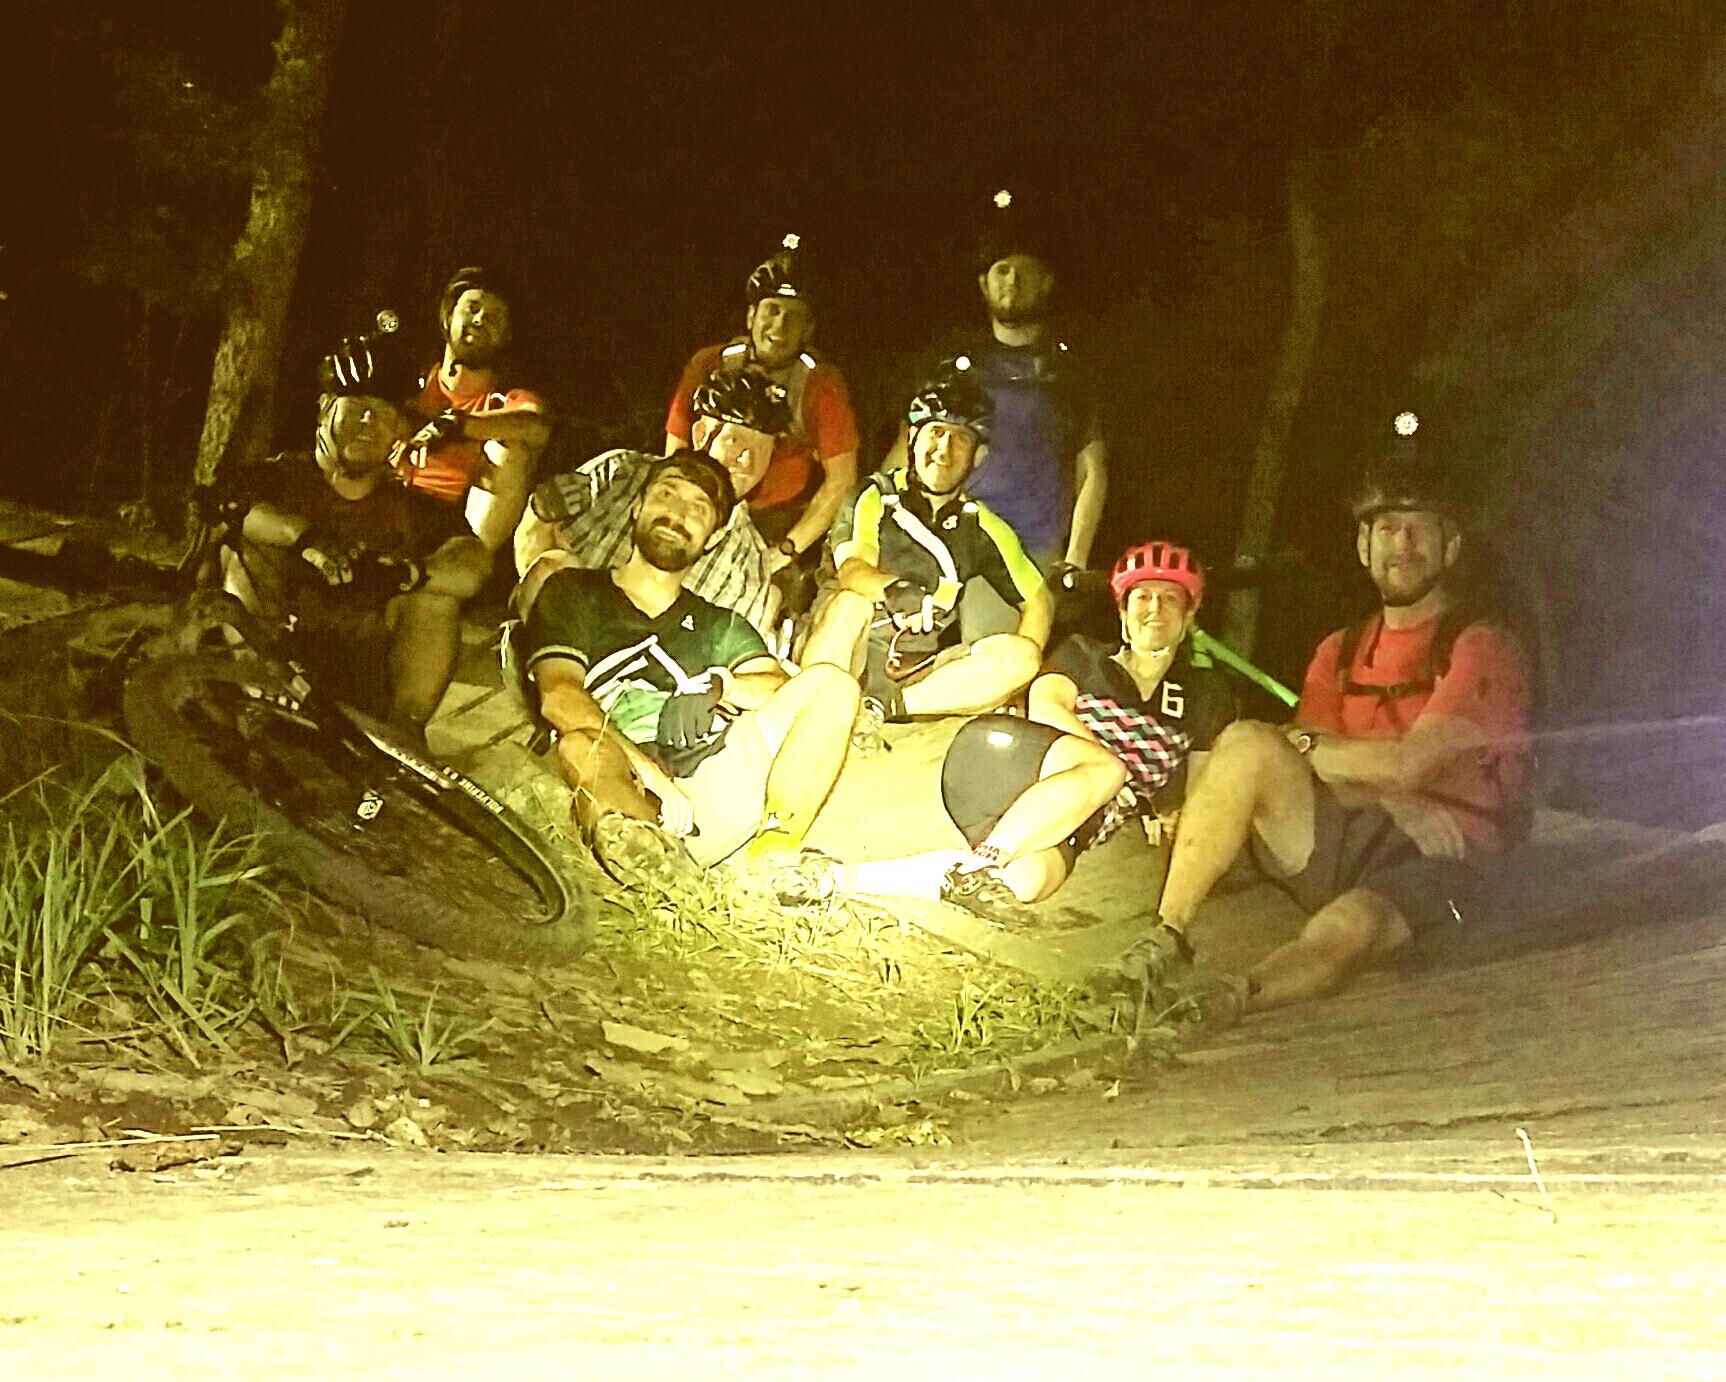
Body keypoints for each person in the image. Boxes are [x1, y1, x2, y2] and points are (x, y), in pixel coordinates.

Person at [1117, 417, 1531, 1025]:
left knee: (1350, 925)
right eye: (1388, 529)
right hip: (1359, 831)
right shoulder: (1339, 649)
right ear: (1365, 548)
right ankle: (1167, 935)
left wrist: (1330, 752)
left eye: (1421, 530)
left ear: (1452, 547)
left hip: (1447, 858)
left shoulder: (1482, 645)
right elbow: (1310, 757)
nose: (1403, 546)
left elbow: (1409, 761)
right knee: (1245, 743)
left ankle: (1231, 997)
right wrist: (1391, 795)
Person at [782, 542, 1237, 918]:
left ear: (1190, 615)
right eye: (1142, 597)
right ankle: (989, 857)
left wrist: (1169, 809)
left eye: (1170, 598)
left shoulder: (1206, 694)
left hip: (1076, 819)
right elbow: (1045, 706)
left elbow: (1198, 790)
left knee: (1024, 884)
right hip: (1012, 762)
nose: (1154, 609)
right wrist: (1113, 770)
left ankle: (834, 878)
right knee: (1106, 771)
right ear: (1122, 611)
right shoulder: (1084, 654)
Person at [521, 450, 861, 881]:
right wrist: (653, 777)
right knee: (580, 744)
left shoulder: (718, 624)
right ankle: (648, 861)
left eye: (698, 509)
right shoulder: (574, 592)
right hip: (624, 784)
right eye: (667, 495)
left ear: (714, 538)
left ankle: (772, 857)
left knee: (833, 685)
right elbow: (560, 696)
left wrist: (724, 687)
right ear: (637, 507)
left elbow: (779, 684)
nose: (677, 513)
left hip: (707, 784)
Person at [209, 322, 491, 747]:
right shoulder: (275, 478)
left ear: (397, 430)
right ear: (325, 409)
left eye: (382, 415)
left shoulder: (413, 507)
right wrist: (305, 539)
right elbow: (226, 508)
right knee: (242, 546)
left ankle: (405, 738)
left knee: (438, 597)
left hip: (361, 678)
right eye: (357, 406)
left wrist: (407, 573)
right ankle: (256, 694)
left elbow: (473, 563)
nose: (368, 422)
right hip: (272, 658)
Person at [809, 359, 1051, 740]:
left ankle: (883, 710)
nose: (944, 449)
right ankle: (820, 716)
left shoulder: (981, 525)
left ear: (979, 456)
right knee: (850, 603)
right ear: (912, 441)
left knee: (1021, 656)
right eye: (935, 432)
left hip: (915, 674)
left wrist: (1015, 689)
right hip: (845, 653)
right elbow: (852, 570)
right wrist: (894, 590)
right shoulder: (875, 496)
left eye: (961, 438)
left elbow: (1038, 601)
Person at [884, 191, 1107, 574]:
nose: (1012, 281)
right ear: (984, 284)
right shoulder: (947, 364)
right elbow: (904, 451)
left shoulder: (1070, 373)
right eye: (1002, 270)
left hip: (1025, 551)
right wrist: (873, 527)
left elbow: (1092, 470)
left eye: (1024, 271)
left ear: (1046, 282)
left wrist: (1074, 561)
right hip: (941, 537)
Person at [513, 367, 791, 637]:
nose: (747, 462)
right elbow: (542, 509)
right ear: (702, 435)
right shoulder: (621, 472)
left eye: (762, 450)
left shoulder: (747, 560)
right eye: (736, 442)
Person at [663, 234, 859, 561]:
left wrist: (784, 552)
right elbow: (676, 446)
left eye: (794, 315)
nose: (780, 324)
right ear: (751, 316)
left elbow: (842, 479)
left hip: (773, 520)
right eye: (773, 310)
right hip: (705, 494)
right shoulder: (710, 362)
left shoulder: (821, 385)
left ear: (809, 330)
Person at [394, 266, 551, 552]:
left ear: (506, 336)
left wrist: (456, 425)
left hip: (453, 529)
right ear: (449, 316)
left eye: (494, 318)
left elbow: (534, 424)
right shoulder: (409, 384)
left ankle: (473, 559)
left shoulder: (506, 401)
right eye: (472, 308)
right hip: (389, 507)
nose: (480, 320)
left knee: (510, 450)